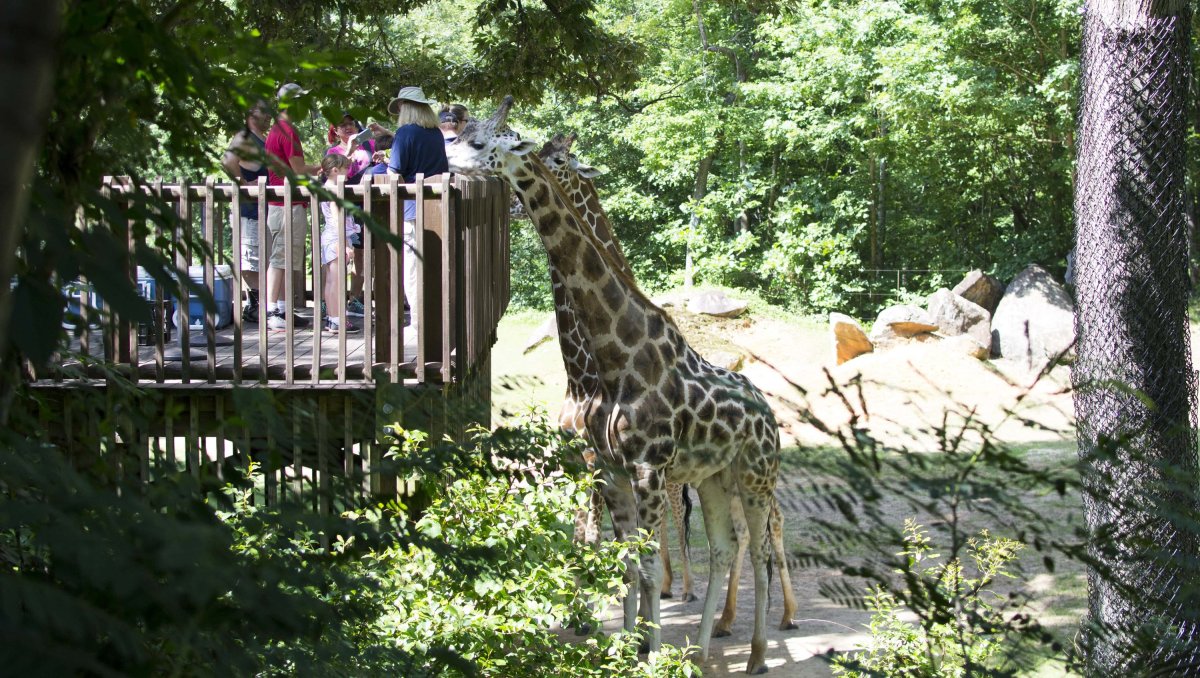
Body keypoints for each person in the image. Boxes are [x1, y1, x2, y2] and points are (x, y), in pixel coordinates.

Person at [369, 86, 448, 333]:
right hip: (437, 205)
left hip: (412, 208)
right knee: (435, 263)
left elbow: (395, 173)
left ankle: (417, 321)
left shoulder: (405, 133)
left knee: (413, 266)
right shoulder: (435, 133)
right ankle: (435, 316)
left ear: (407, 108)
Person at [264, 82, 321, 330]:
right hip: (285, 204)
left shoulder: (278, 128)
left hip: (284, 203)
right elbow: (297, 169)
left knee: (288, 258)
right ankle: (271, 311)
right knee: (280, 258)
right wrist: (321, 168)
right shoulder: (286, 131)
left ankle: (284, 311)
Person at [221, 98, 272, 322]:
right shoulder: (244, 136)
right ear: (251, 114)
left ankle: (261, 305)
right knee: (250, 257)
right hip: (248, 209)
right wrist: (243, 183)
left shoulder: (263, 139)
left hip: (263, 210)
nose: (269, 115)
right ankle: (255, 305)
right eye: (264, 111)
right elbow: (228, 160)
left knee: (262, 257)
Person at [325, 113, 374, 315]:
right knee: (339, 257)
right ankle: (332, 305)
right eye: (342, 125)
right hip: (344, 208)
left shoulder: (368, 145)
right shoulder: (333, 151)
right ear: (335, 131)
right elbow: (334, 174)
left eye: (351, 124)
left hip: (367, 206)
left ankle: (355, 298)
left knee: (363, 253)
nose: (348, 128)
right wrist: (349, 149)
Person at [318, 153, 362, 333]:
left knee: (330, 280)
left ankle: (332, 317)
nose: (349, 172)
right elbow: (338, 221)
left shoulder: (326, 188)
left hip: (329, 238)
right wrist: (344, 245)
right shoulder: (335, 191)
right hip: (336, 239)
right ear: (335, 170)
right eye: (346, 169)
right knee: (337, 281)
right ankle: (337, 319)